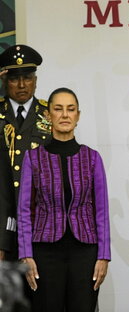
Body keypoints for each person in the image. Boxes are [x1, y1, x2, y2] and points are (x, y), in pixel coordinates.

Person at [17, 87, 111, 312]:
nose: (65, 115)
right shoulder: (33, 158)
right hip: (44, 254)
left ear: (78, 115)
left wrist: (103, 256)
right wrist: (25, 254)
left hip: (85, 253)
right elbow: (24, 210)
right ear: (48, 115)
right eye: (58, 109)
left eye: (71, 109)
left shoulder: (92, 158)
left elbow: (102, 211)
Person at [0, 45, 51, 261]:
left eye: (28, 77)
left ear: (36, 80)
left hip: (42, 227)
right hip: (3, 227)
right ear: (4, 81)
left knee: (43, 294)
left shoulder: (50, 114)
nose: (22, 85)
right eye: (14, 78)